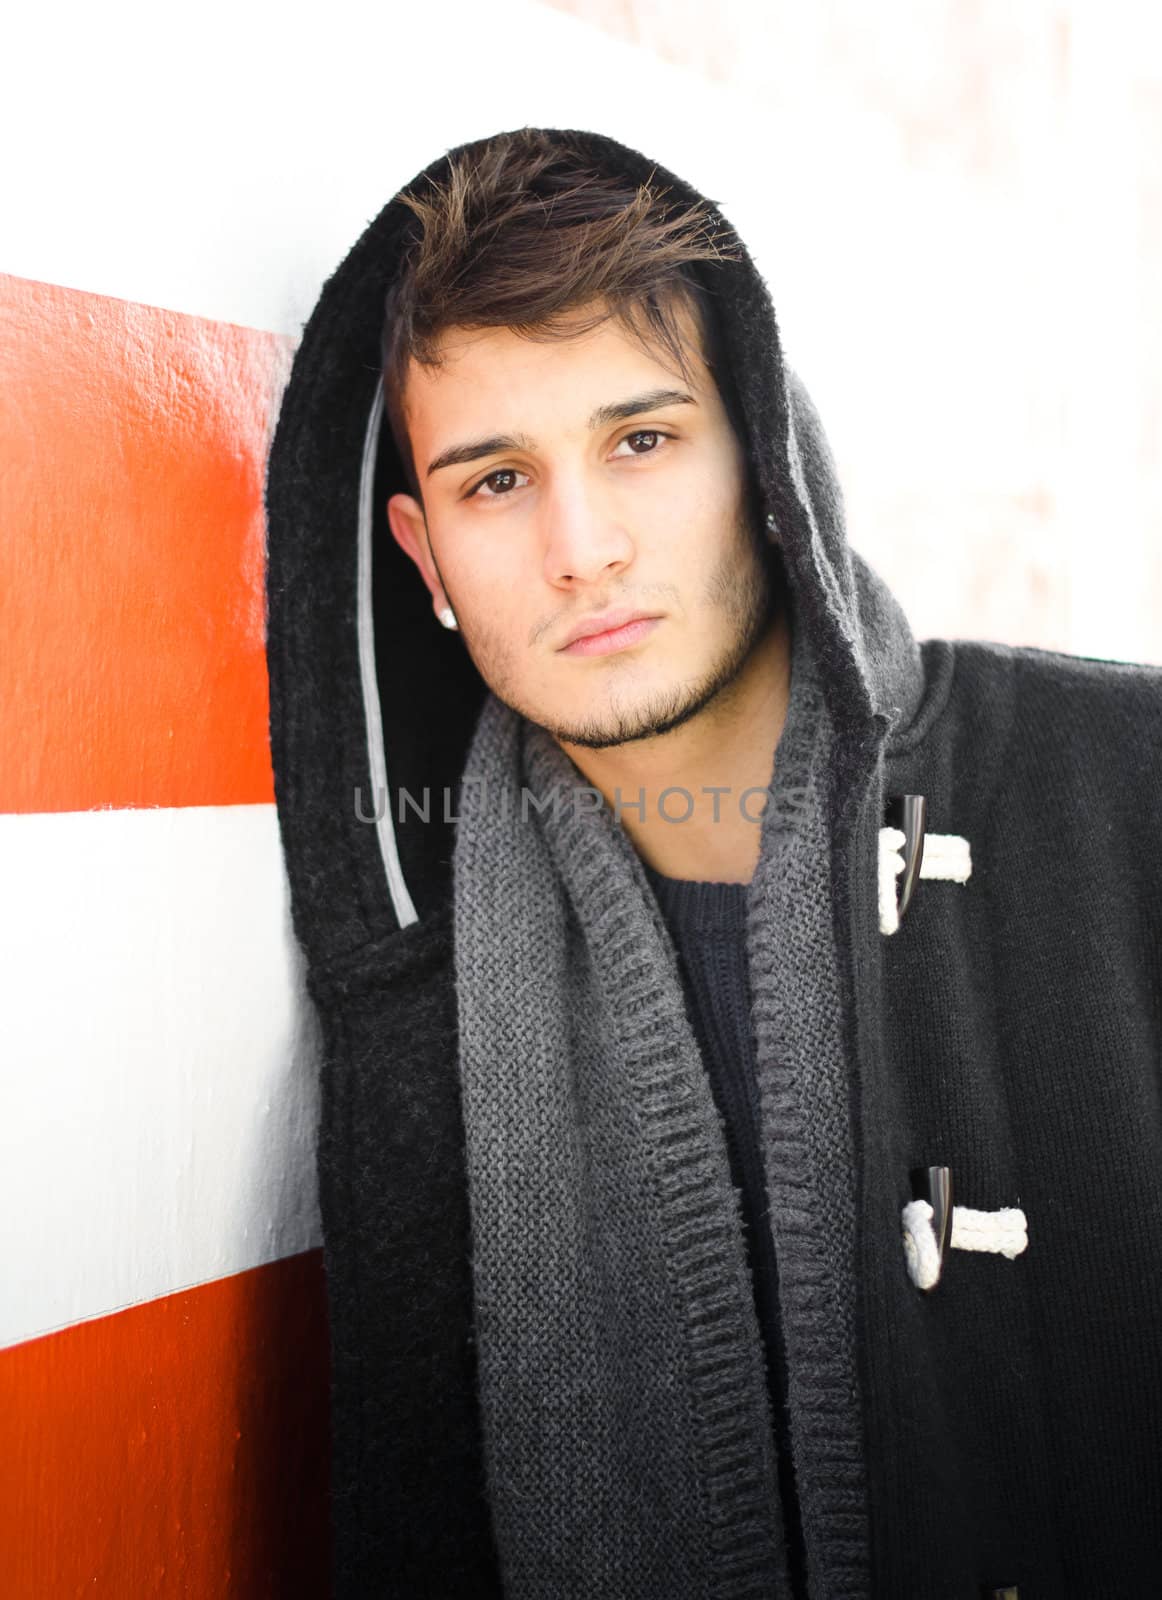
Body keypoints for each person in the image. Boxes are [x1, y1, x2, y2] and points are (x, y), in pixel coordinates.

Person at [263, 126, 1162, 1600]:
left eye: (640, 440)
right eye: (496, 482)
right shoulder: (424, 1030)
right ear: (422, 561)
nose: (581, 547)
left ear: (765, 461)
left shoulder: (1117, 783)